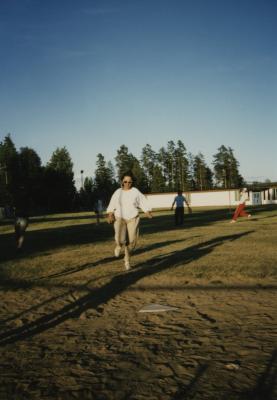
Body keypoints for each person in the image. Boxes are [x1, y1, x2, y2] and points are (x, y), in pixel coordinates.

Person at [106, 171, 152, 270]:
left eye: (129, 182)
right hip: (119, 217)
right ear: (122, 182)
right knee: (120, 238)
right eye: (125, 182)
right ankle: (118, 246)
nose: (127, 184)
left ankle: (127, 261)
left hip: (133, 218)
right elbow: (112, 203)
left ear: (132, 182)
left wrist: (147, 211)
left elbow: (142, 201)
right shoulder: (118, 192)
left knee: (131, 241)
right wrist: (110, 214)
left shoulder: (135, 191)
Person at [14, 186, 30, 251]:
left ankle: (19, 246)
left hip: (18, 217)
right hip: (23, 218)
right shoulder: (27, 199)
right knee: (21, 233)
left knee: (18, 234)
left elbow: (14, 207)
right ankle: (19, 246)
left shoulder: (17, 199)